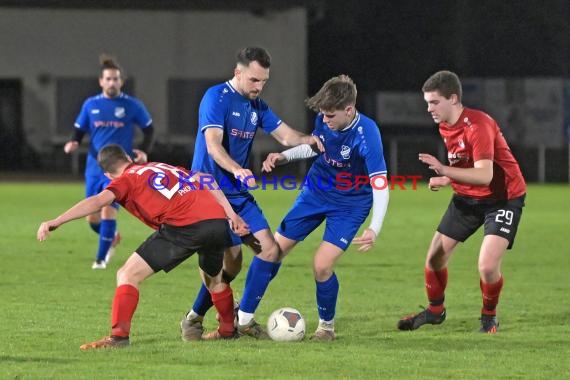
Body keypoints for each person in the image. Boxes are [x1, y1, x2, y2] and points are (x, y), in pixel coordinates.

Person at [37, 144, 249, 349]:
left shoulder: (124, 180)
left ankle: (118, 338)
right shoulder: (159, 166)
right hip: (217, 220)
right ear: (129, 159)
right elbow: (206, 178)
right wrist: (232, 216)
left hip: (185, 226)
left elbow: (98, 201)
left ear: (109, 175)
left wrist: (56, 221)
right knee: (214, 278)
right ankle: (227, 331)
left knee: (127, 274)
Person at [181, 46, 322, 340]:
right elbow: (213, 146)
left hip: (238, 195)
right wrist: (238, 169)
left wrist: (310, 140)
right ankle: (195, 318)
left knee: (268, 251)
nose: (259, 87)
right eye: (254, 80)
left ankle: (241, 319)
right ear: (238, 73)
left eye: (264, 81)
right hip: (209, 193)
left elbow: (285, 135)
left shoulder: (257, 107)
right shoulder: (215, 98)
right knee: (223, 261)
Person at [396, 70, 526, 334]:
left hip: (503, 198)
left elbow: (485, 174)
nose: (429, 109)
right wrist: (449, 180)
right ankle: (435, 311)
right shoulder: (445, 124)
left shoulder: (478, 125)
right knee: (434, 258)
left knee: (488, 266)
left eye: (434, 102)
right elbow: (468, 165)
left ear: (453, 98)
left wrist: (444, 171)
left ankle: (489, 316)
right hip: (469, 195)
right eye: (427, 103)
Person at [262, 74, 390, 341]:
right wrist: (283, 156)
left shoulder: (368, 135)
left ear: (349, 109)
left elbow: (380, 184)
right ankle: (244, 315)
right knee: (271, 252)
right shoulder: (325, 119)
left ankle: (326, 327)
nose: (325, 119)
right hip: (317, 192)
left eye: (330, 115)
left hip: (350, 204)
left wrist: (374, 228)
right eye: (323, 114)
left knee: (321, 266)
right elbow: (315, 148)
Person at [63, 54, 155, 270]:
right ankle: (112, 235)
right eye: (108, 79)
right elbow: (80, 129)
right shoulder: (91, 104)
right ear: (101, 81)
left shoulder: (132, 105)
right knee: (92, 219)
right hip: (94, 167)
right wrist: (74, 142)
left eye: (116, 79)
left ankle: (101, 259)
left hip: (119, 168)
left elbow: (149, 130)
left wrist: (144, 151)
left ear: (121, 81)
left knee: (107, 209)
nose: (112, 82)